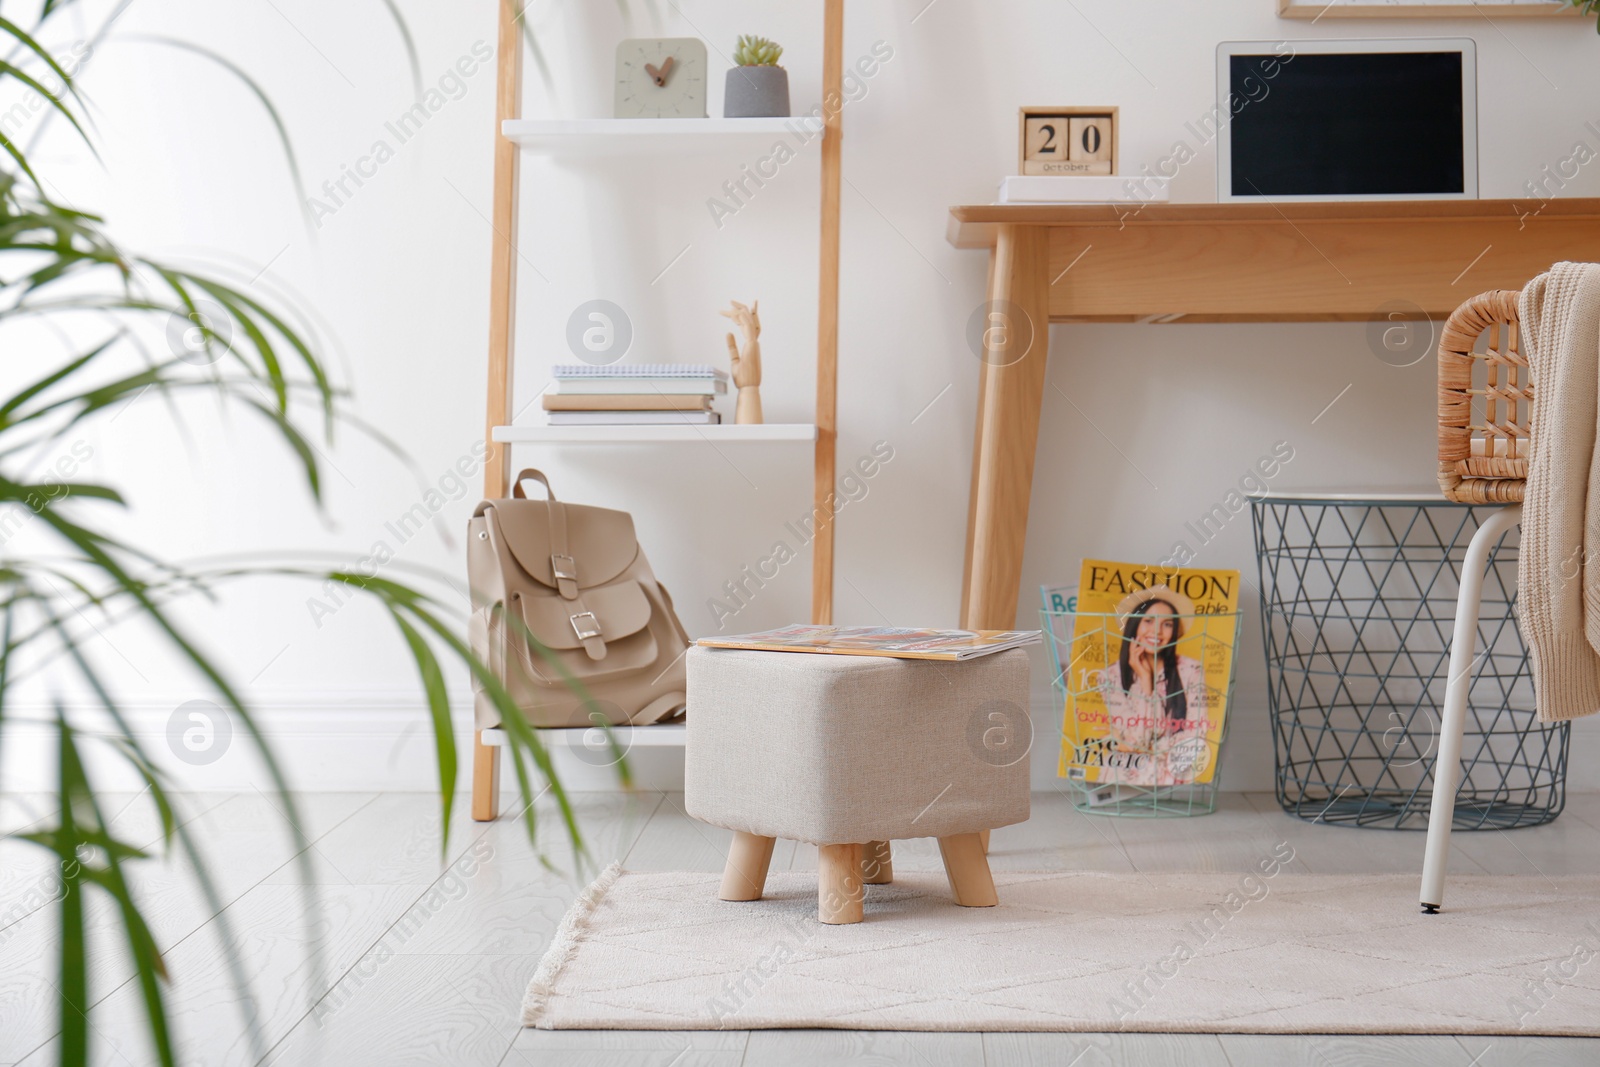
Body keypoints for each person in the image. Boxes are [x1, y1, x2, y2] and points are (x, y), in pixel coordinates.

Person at [1090, 586, 1211, 786]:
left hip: (1169, 774)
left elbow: (1198, 731)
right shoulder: (1109, 677)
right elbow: (1138, 739)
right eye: (1148, 621)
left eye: (1167, 624)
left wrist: (1148, 749)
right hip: (1121, 778)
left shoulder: (1191, 670)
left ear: (1174, 631)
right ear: (1134, 624)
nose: (1156, 631)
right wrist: (1146, 681)